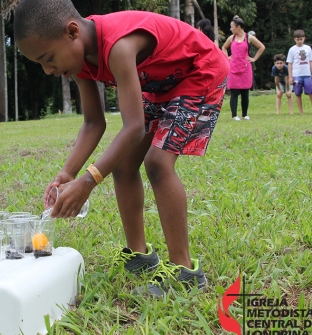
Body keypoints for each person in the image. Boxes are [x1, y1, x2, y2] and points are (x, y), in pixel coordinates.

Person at [14, 0, 229, 297]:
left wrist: (88, 181)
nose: (48, 70)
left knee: (157, 163)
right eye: (40, 64)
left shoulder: (118, 46)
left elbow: (133, 128)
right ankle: (139, 256)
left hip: (199, 71)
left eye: (48, 58)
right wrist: (67, 173)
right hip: (161, 84)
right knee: (125, 165)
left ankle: (185, 272)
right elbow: (93, 122)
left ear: (73, 31)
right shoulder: (78, 61)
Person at [222, 16, 265, 121]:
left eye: (232, 27)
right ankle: (234, 115)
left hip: (245, 68)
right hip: (233, 68)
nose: (231, 29)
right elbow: (224, 47)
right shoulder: (231, 38)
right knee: (234, 92)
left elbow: (261, 47)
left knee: (245, 92)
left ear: (239, 27)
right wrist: (226, 58)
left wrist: (254, 58)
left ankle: (245, 114)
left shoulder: (249, 37)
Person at [287, 29, 312, 115]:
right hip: (297, 75)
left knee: (310, 92)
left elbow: (310, 61)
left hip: (307, 74)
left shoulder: (308, 48)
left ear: (304, 38)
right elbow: (290, 63)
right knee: (298, 93)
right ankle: (301, 112)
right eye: (297, 39)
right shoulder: (292, 50)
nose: (299, 41)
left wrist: (311, 73)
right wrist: (290, 76)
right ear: (295, 39)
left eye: (301, 39)